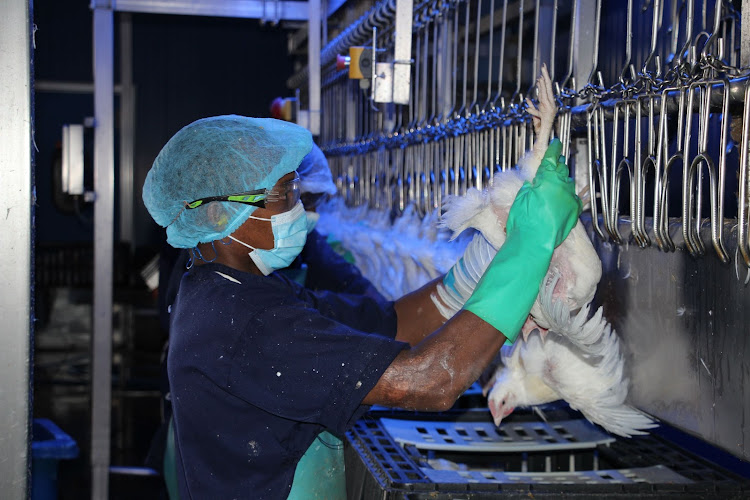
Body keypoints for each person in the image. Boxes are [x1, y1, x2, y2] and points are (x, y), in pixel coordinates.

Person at [142, 115, 581, 499]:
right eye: (284, 195)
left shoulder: (237, 289)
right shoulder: (245, 322)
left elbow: (388, 322)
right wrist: (529, 248)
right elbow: (431, 380)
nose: (299, 208)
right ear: (222, 216)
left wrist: (477, 268)